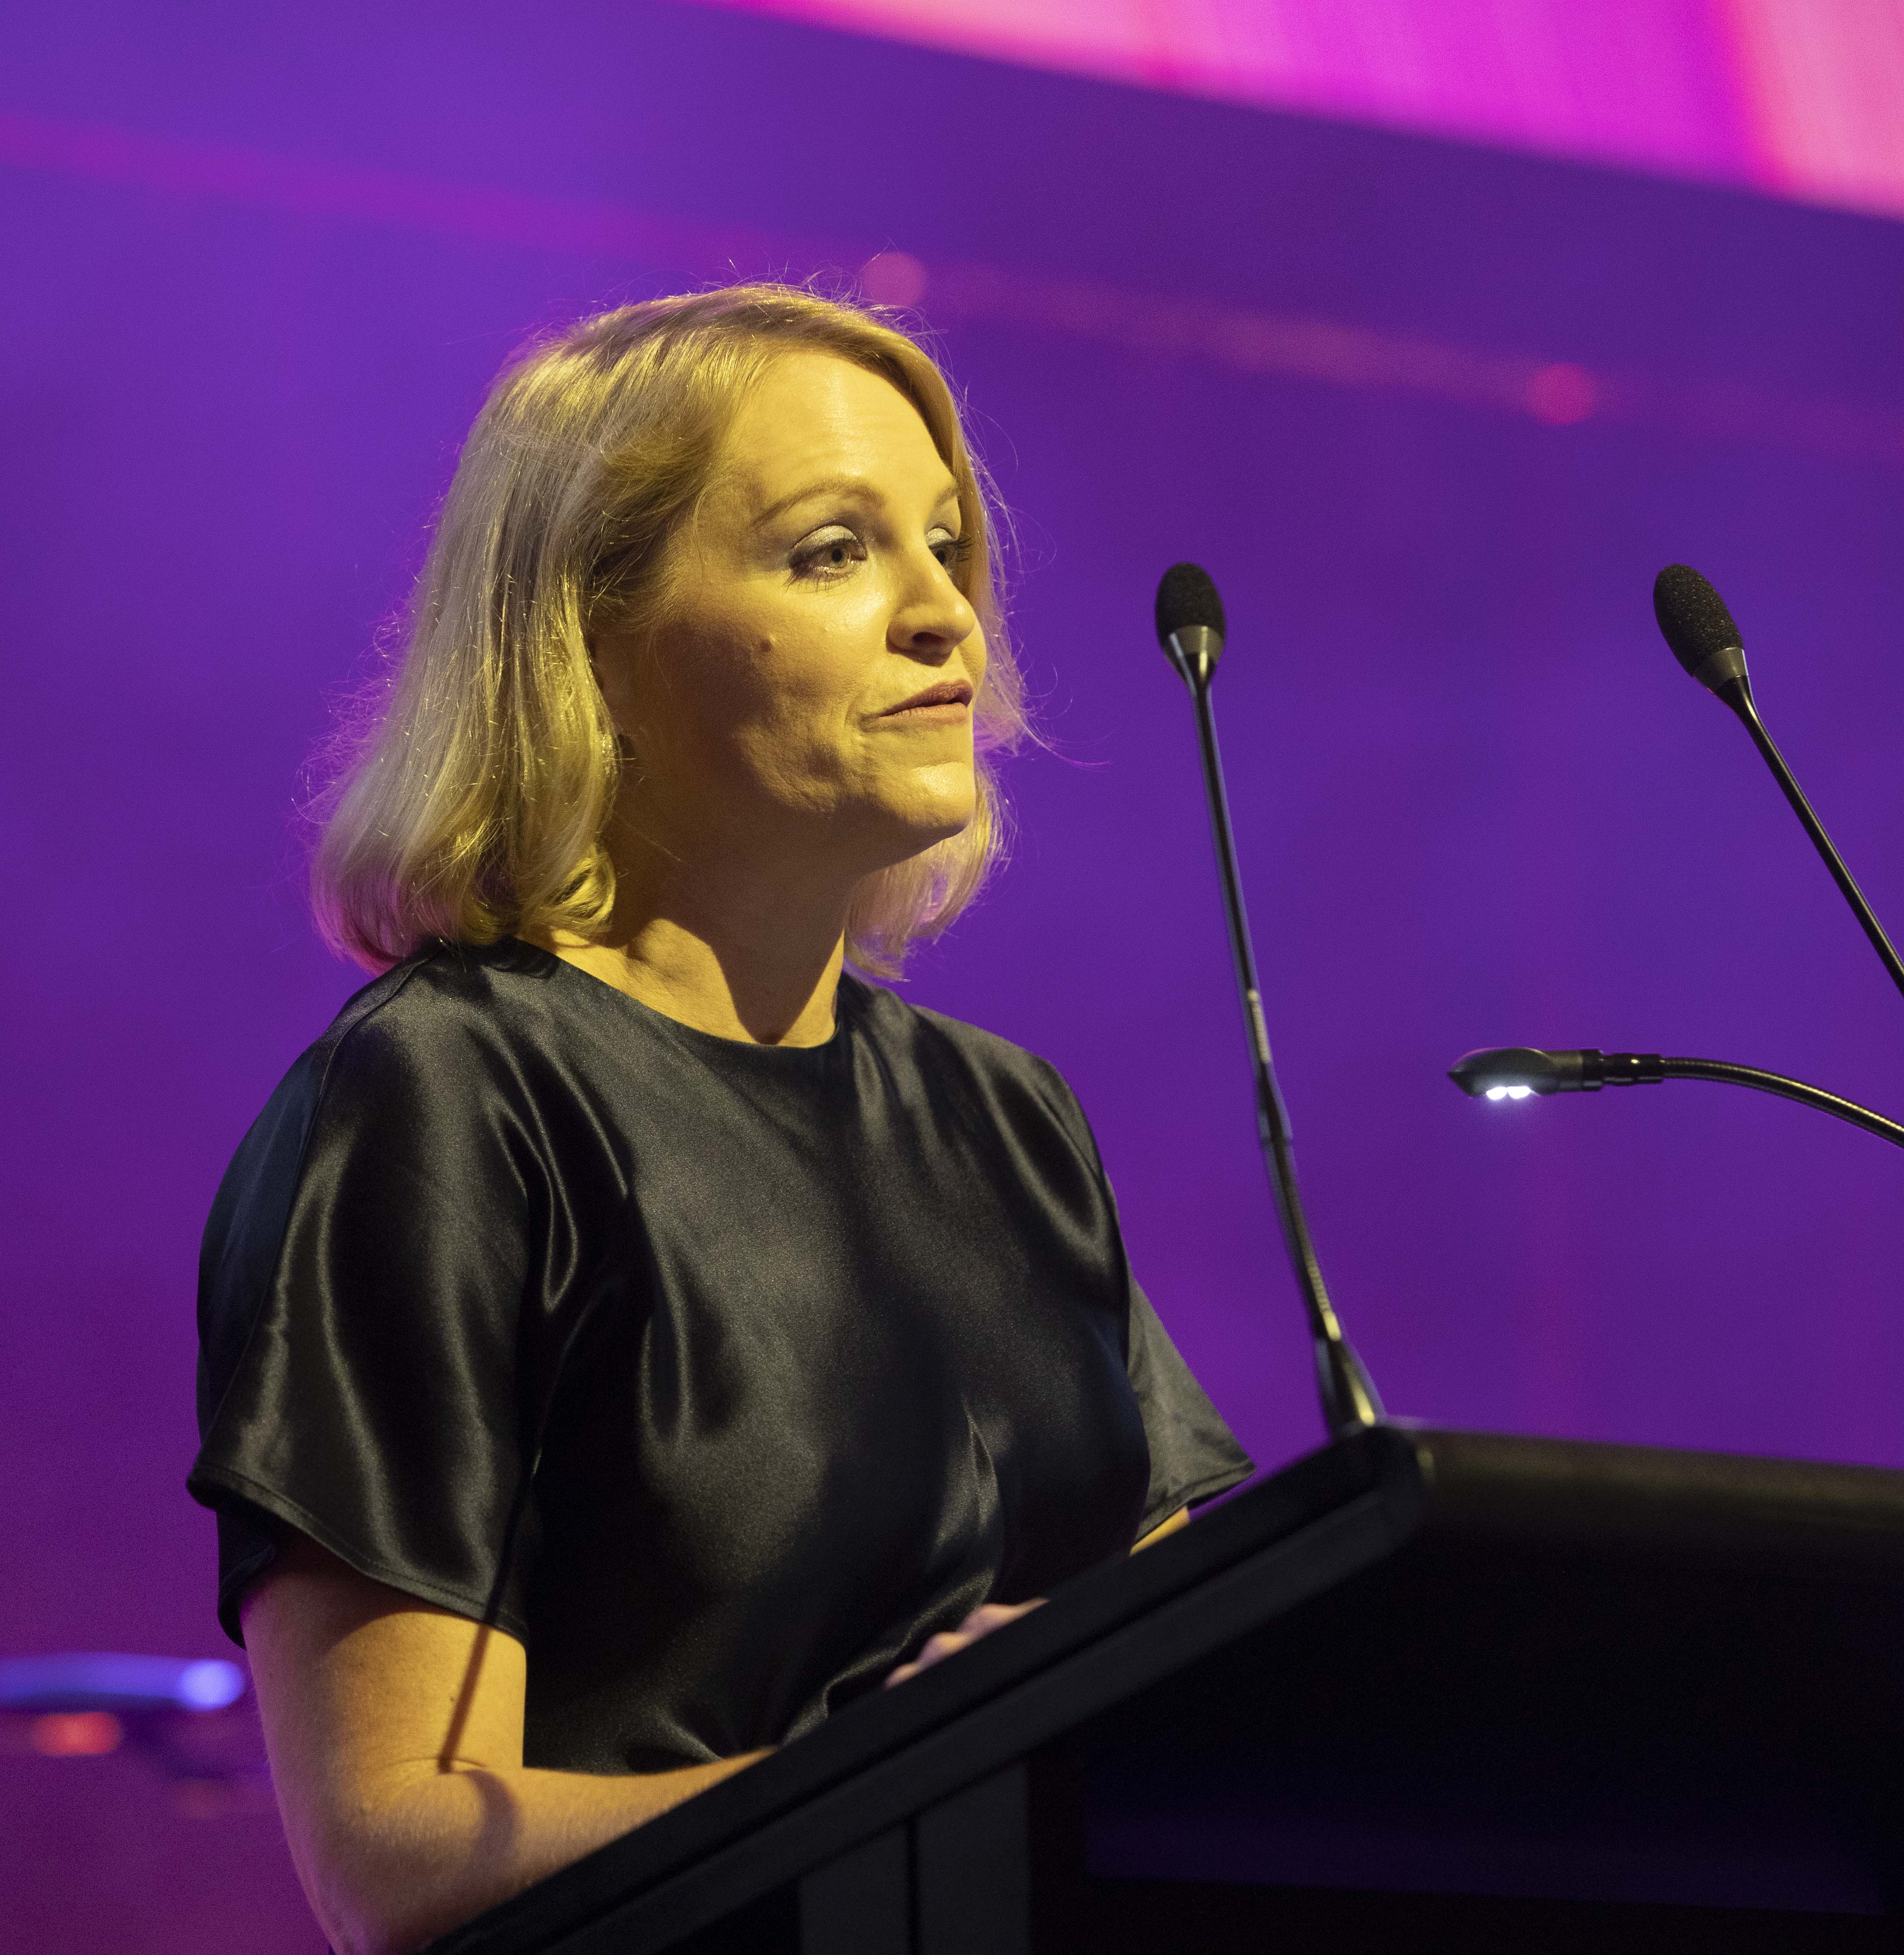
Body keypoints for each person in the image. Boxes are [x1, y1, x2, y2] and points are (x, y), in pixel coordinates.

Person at [188, 284, 1252, 1955]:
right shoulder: (450, 1097)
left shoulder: (1008, 1118)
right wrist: (915, 1767)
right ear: (591, 643)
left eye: (947, 546)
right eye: (833, 552)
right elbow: (397, 1859)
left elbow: (1192, 1695)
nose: (945, 616)